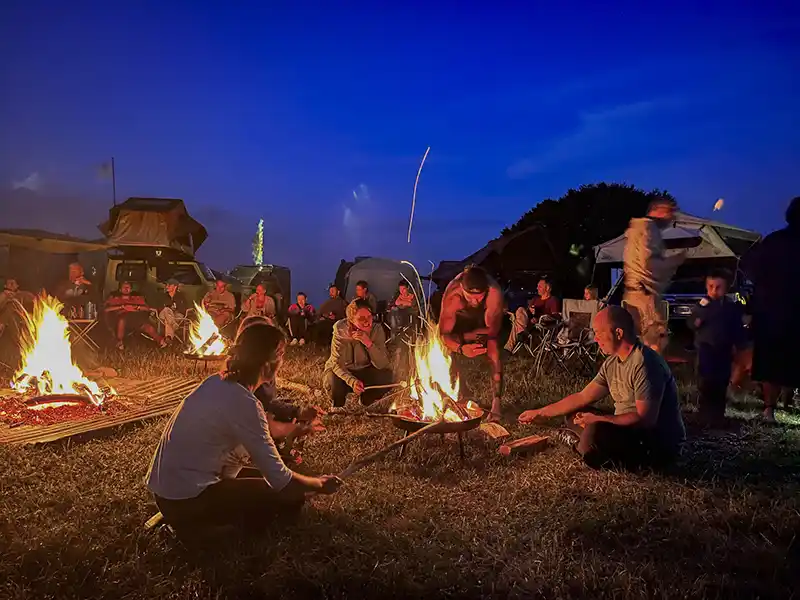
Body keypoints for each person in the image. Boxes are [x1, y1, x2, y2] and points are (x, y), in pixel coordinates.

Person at [146, 322, 342, 533]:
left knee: (265, 478)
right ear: (268, 362)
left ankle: (201, 520)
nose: (283, 360)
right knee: (289, 497)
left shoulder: (216, 383)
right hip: (186, 500)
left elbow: (256, 434)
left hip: (166, 493)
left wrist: (292, 431)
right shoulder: (245, 403)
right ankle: (209, 529)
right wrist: (319, 484)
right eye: (282, 354)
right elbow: (281, 480)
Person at [518, 306, 686, 470]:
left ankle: (582, 445)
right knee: (576, 414)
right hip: (626, 432)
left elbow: (645, 420)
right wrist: (539, 412)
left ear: (618, 333)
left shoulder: (645, 363)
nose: (596, 339)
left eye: (599, 333)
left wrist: (598, 420)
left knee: (594, 431)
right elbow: (582, 397)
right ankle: (584, 443)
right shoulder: (612, 363)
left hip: (654, 443)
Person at [741, 196, 800, 422]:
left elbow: (749, 267)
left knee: (771, 361)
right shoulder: (776, 241)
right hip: (791, 309)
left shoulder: (773, 241)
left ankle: (769, 410)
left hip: (771, 310)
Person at [439, 265, 504, 422]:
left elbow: (492, 331)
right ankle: (453, 396)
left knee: (494, 349)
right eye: (470, 297)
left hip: (485, 323)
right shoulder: (453, 295)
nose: (475, 301)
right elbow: (443, 334)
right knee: (445, 348)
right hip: (461, 322)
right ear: (462, 288)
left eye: (479, 297)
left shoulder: (493, 293)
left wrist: (476, 339)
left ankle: (496, 404)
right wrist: (461, 348)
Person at [622, 196, 686, 353]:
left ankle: (638, 374)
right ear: (657, 210)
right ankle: (652, 376)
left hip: (634, 293)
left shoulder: (636, 229)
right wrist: (676, 260)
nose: (672, 217)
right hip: (645, 296)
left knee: (638, 344)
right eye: (669, 211)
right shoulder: (648, 229)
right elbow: (648, 264)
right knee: (656, 341)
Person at [688, 270, 746, 427]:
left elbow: (737, 328)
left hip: (723, 350)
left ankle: (718, 415)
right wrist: (698, 319)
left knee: (720, 383)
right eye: (711, 286)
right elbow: (692, 323)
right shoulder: (702, 306)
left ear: (726, 288)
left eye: (718, 287)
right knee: (705, 383)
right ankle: (703, 414)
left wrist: (740, 344)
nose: (714, 291)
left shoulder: (731, 308)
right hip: (705, 350)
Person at [323, 298, 393, 408]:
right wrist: (352, 381)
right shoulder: (340, 331)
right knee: (332, 379)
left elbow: (383, 364)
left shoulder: (376, 329)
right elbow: (336, 363)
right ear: (351, 320)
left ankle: (367, 399)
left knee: (388, 377)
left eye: (369, 317)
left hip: (364, 370)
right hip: (343, 371)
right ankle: (338, 405)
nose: (367, 321)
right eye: (361, 318)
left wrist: (369, 344)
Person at [104, 281, 166, 350]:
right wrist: (122, 306)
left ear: (131, 289)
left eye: (128, 287)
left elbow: (147, 308)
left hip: (135, 319)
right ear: (120, 289)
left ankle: (161, 342)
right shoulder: (115, 299)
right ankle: (120, 343)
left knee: (147, 326)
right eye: (124, 287)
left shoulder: (136, 299)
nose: (126, 289)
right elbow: (106, 309)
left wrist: (136, 307)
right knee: (122, 319)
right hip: (121, 321)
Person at [157, 278, 189, 345]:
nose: (167, 287)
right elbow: (160, 307)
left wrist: (174, 311)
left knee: (168, 321)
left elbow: (183, 308)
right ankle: (174, 325)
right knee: (166, 310)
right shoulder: (164, 296)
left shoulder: (180, 296)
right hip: (163, 314)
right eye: (166, 285)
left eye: (169, 285)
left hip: (176, 315)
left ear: (175, 286)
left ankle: (168, 340)